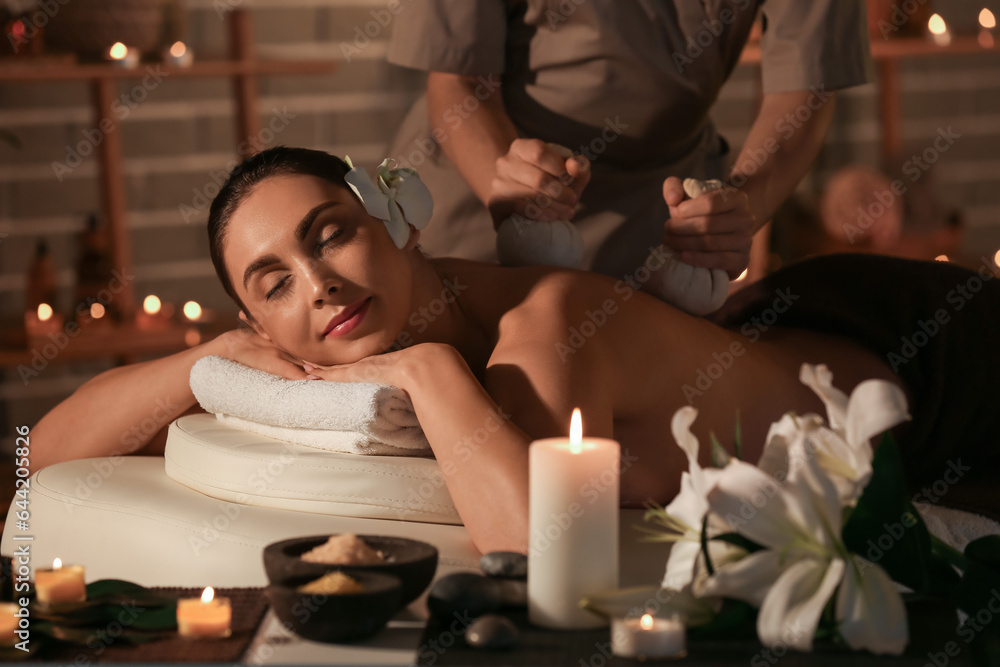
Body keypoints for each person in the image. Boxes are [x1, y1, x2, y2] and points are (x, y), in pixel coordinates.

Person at [30, 148, 1000, 555]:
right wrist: (212, 351)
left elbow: (544, 546)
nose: (315, 283)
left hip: (940, 369)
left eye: (329, 232)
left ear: (400, 220)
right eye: (272, 280)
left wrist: (426, 370)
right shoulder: (298, 329)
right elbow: (45, 456)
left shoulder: (547, 326)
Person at [385, 0, 874, 281]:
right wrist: (507, 180)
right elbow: (457, 81)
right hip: (487, 191)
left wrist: (741, 207)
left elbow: (805, 86)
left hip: (661, 216)